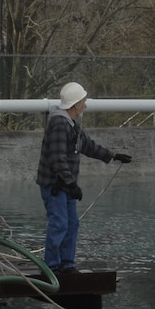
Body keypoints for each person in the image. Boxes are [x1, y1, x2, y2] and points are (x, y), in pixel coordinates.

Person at [35, 82, 130, 274]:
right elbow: (57, 158)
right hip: (55, 185)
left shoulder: (72, 124)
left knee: (72, 223)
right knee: (59, 223)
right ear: (75, 104)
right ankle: (52, 266)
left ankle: (67, 264)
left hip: (66, 186)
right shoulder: (59, 124)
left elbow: (88, 146)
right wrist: (71, 184)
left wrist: (113, 156)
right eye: (83, 102)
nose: (85, 105)